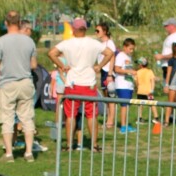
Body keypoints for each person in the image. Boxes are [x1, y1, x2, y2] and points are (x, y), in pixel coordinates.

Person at [47, 17, 113, 152]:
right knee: (91, 115)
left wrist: (63, 65)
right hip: (89, 83)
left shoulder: (67, 43)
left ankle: (69, 144)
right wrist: (99, 66)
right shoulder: (93, 43)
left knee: (70, 115)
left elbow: (51, 53)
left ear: (73, 29)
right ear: (85, 29)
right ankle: (94, 145)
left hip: (72, 84)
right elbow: (109, 53)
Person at [0, 10, 38, 163]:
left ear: (6, 23)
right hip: (25, 81)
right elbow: (33, 64)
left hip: (8, 82)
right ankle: (29, 152)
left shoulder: (1, 42)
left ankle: (9, 154)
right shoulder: (29, 41)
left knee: (7, 117)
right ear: (19, 23)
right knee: (27, 117)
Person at [94, 22, 118, 129]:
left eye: (98, 31)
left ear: (105, 31)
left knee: (110, 97)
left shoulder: (109, 43)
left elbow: (112, 57)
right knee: (106, 97)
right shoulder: (100, 44)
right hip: (103, 71)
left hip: (108, 72)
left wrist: (109, 74)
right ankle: (108, 118)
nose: (96, 33)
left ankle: (110, 121)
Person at [113, 37, 137, 133]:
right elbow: (117, 69)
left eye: (133, 49)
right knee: (124, 105)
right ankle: (123, 126)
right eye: (130, 48)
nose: (131, 51)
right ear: (124, 47)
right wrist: (129, 71)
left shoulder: (129, 57)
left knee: (127, 106)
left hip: (128, 84)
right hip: (122, 84)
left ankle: (126, 124)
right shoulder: (121, 56)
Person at [156, 17, 176, 90]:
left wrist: (162, 57)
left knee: (173, 90)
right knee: (170, 90)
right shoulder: (171, 37)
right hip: (168, 67)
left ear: (172, 26)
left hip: (173, 67)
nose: (165, 28)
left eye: (166, 26)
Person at [134, 56, 160, 130]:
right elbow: (152, 80)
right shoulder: (150, 71)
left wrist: (137, 87)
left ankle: (140, 118)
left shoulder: (138, 72)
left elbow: (136, 82)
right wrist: (152, 89)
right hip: (149, 92)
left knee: (140, 105)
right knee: (152, 104)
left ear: (140, 65)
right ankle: (156, 118)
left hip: (140, 91)